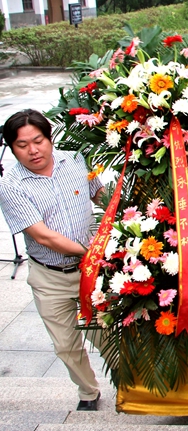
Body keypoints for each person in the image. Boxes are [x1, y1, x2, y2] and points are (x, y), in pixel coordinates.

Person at [0, 109, 104, 411]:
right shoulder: (11, 186)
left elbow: (99, 193)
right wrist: (91, 253)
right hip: (50, 276)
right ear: (12, 147)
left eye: (38, 140)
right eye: (22, 145)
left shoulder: (76, 159)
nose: (33, 150)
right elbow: (43, 236)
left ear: (49, 138)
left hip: (90, 273)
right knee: (66, 345)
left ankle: (130, 388)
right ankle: (88, 392)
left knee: (106, 336)